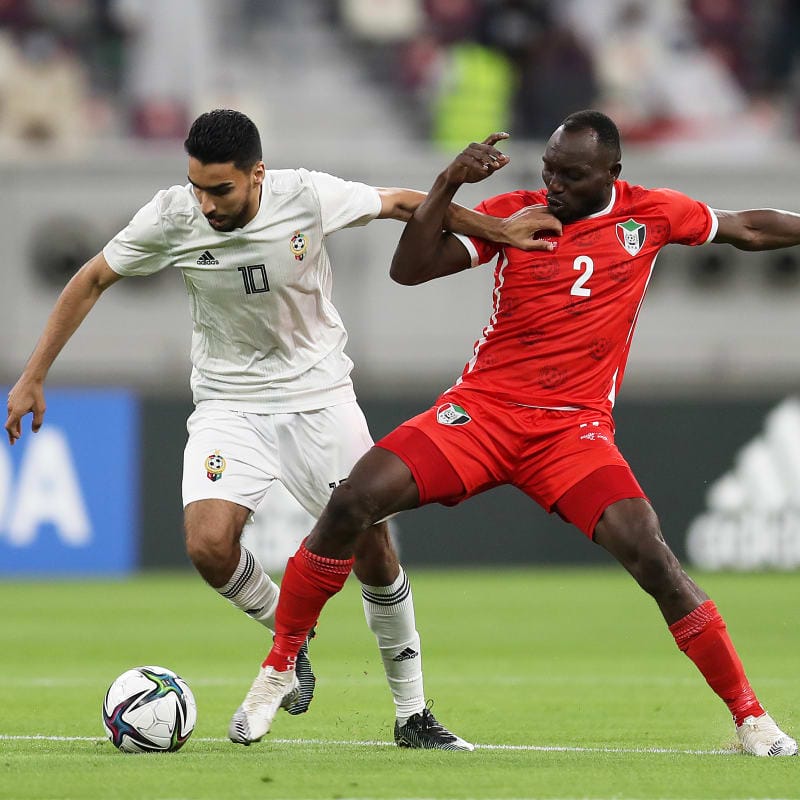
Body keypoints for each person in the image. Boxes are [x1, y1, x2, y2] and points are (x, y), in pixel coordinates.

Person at [242, 109, 799, 757]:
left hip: (572, 432)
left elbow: (748, 228)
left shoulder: (651, 213)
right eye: (549, 170)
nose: (554, 185)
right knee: (352, 501)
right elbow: (410, 268)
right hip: (482, 415)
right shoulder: (515, 214)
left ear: (612, 173)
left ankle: (751, 719)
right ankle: (279, 667)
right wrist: (449, 182)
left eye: (571, 175)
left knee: (651, 555)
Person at [3, 109, 558, 750]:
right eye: (197, 187)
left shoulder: (305, 196)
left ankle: (413, 715)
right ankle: (288, 637)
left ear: (257, 174)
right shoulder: (172, 216)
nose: (206, 204)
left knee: (373, 552)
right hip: (228, 402)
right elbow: (93, 277)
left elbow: (404, 204)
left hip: (318, 396)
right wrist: (33, 376)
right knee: (209, 546)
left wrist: (498, 230)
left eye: (220, 190)